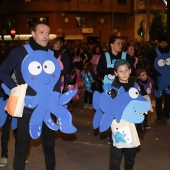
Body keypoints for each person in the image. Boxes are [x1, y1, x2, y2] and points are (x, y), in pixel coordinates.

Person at [0, 21, 58, 170]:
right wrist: (16, 88)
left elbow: (55, 78)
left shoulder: (51, 54)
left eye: (47, 33)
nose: (45, 36)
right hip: (26, 108)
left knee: (49, 146)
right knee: (21, 149)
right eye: (41, 32)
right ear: (32, 34)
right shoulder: (20, 52)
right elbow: (3, 71)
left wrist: (57, 98)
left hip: (48, 109)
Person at [108, 59, 140, 170]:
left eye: (126, 70)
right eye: (121, 71)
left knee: (130, 155)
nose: (124, 73)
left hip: (132, 125)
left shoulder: (135, 86)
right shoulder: (113, 89)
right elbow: (110, 108)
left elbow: (141, 100)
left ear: (130, 71)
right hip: (119, 126)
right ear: (116, 73)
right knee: (116, 156)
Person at [151, 34, 170, 126]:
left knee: (168, 98)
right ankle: (159, 117)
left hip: (169, 80)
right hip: (158, 79)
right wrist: (154, 79)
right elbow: (152, 66)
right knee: (158, 99)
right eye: (161, 42)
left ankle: (166, 115)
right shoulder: (154, 52)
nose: (163, 44)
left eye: (165, 42)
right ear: (159, 43)